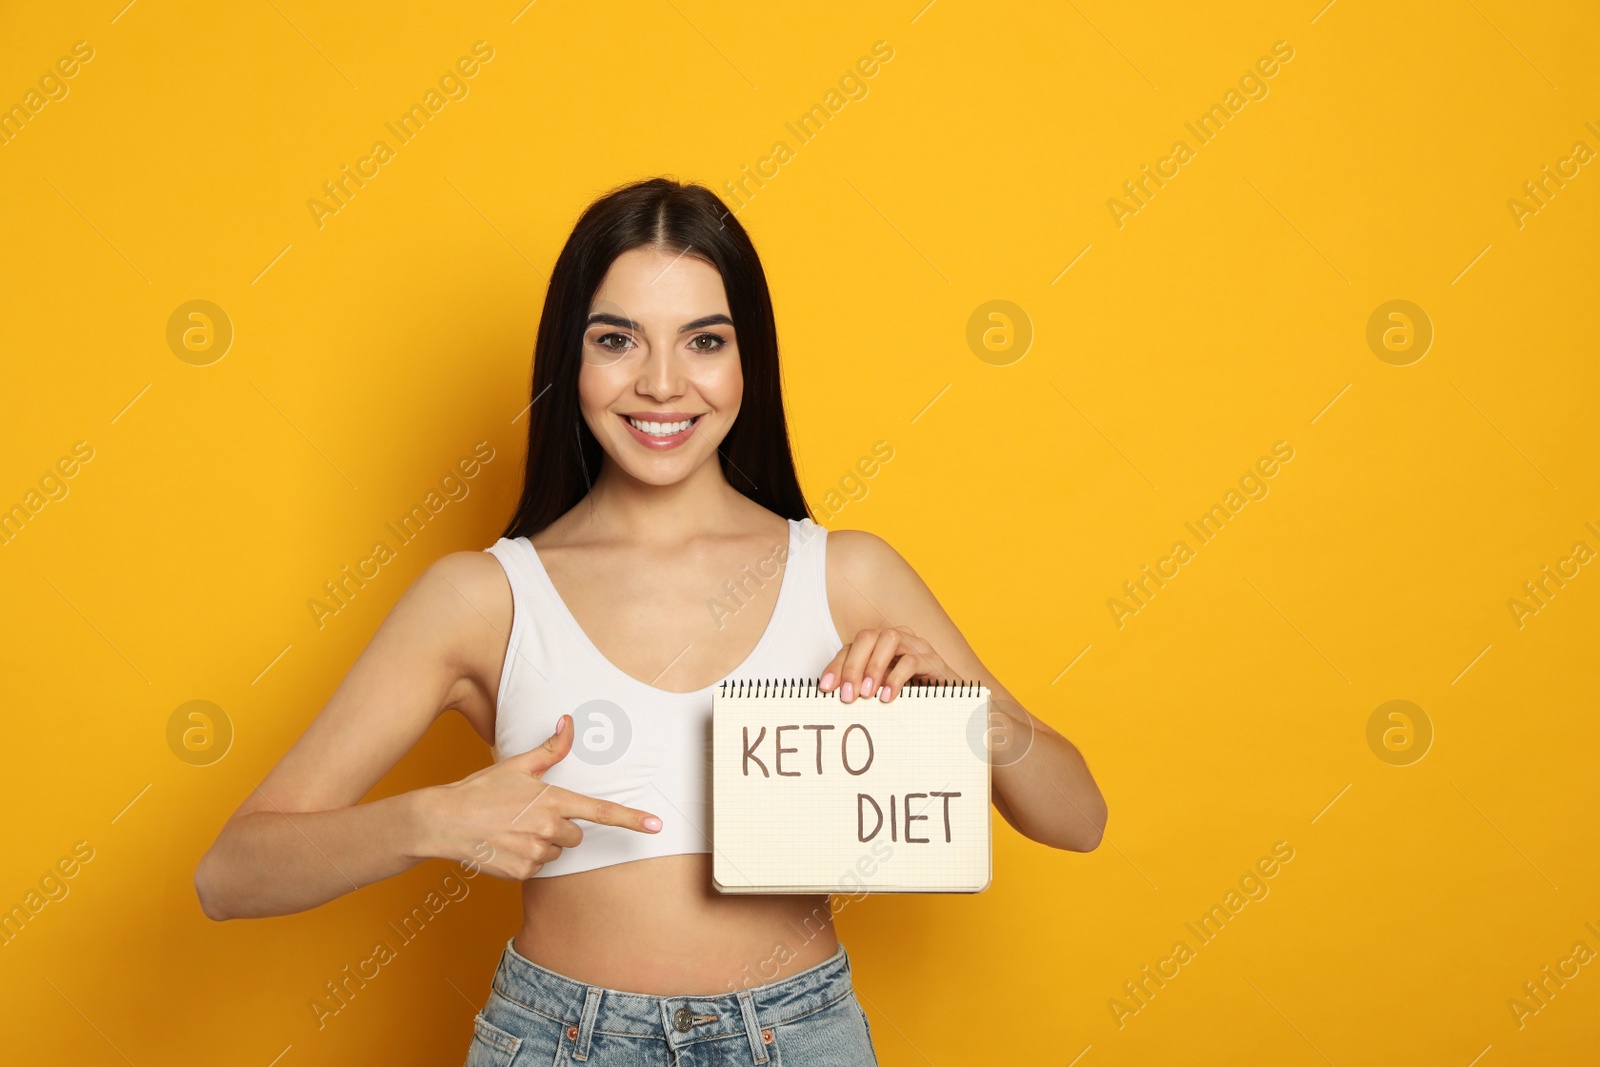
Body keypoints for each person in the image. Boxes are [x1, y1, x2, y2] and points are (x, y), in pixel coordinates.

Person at [193, 176, 1108, 1066]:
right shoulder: (485, 596)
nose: (664, 384)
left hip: (797, 1037)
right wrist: (434, 819)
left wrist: (969, 719)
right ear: (571, 358)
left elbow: (1079, 818)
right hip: (560, 1039)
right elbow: (230, 873)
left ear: (748, 358)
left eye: (703, 341)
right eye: (619, 340)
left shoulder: (847, 573)